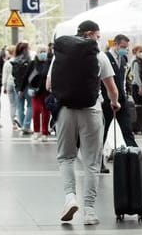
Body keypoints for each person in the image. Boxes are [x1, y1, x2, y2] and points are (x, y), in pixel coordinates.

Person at [46, 20, 121, 225]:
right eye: (98, 35)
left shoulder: (61, 54)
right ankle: (89, 211)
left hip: (65, 111)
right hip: (91, 111)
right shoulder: (99, 55)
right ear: (90, 34)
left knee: (66, 158)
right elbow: (112, 89)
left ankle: (70, 198)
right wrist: (115, 103)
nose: (99, 39)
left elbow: (49, 84)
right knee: (91, 163)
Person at [100, 35, 142, 173]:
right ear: (116, 45)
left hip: (121, 101)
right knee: (103, 132)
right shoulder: (104, 58)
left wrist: (124, 95)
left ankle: (138, 160)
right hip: (107, 101)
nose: (125, 50)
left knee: (127, 131)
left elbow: (123, 80)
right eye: (123, 47)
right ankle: (98, 162)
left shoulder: (123, 59)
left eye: (126, 47)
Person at [26, 45, 51, 141]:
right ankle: (36, 131)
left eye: (44, 51)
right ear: (37, 53)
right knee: (36, 111)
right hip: (35, 91)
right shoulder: (32, 64)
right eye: (41, 51)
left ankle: (45, 132)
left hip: (46, 91)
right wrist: (21, 89)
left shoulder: (49, 63)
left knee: (46, 112)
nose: (43, 53)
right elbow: (26, 76)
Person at [13, 41, 34, 135]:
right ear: (26, 49)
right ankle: (26, 126)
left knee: (20, 107)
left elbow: (14, 74)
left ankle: (22, 125)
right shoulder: (29, 60)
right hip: (27, 86)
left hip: (17, 86)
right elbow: (29, 75)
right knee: (30, 106)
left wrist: (18, 88)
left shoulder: (15, 60)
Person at [2, 45, 21, 130]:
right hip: (16, 83)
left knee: (12, 104)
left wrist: (4, 87)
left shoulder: (7, 63)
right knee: (18, 103)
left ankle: (14, 124)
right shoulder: (18, 61)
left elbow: (5, 76)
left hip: (9, 84)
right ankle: (17, 117)